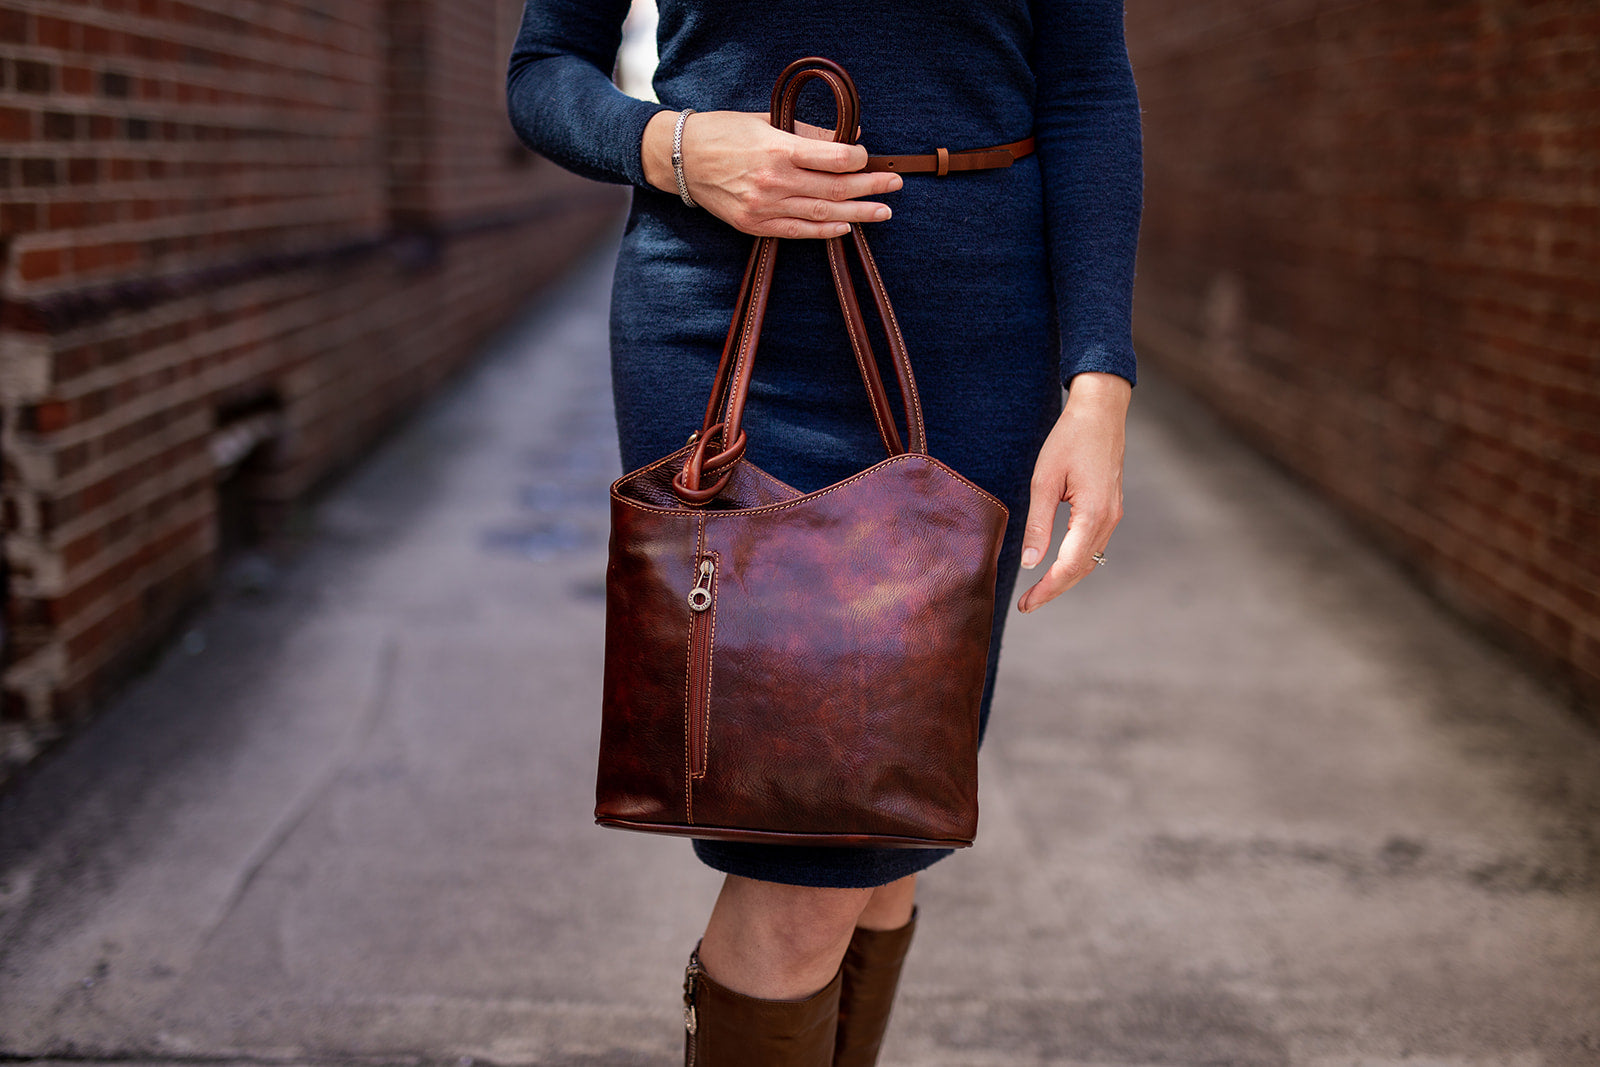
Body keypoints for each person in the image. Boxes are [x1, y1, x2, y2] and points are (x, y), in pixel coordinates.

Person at [507, 2, 1140, 1062]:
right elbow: (543, 69)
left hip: (973, 335)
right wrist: (667, 145)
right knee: (807, 850)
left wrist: (1100, 379)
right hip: (722, 329)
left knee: (894, 815)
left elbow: (1084, 92)